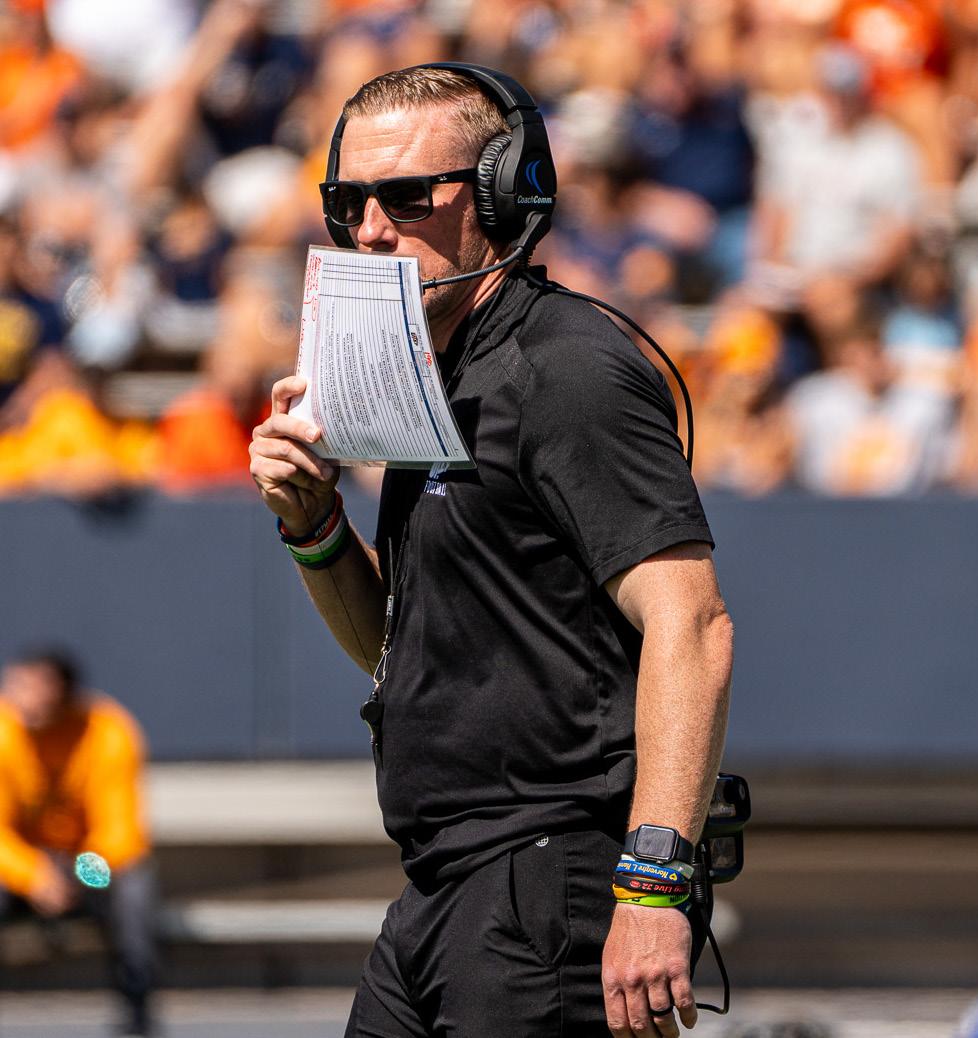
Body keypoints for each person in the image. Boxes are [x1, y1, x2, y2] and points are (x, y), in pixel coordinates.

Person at [249, 64, 733, 1038]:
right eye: (347, 203)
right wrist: (314, 524)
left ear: (503, 196)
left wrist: (651, 887)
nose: (369, 231)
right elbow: (394, 648)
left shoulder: (566, 366)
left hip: (551, 879)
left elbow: (692, 623)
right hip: (444, 883)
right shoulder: (434, 376)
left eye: (404, 197)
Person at [0, 648, 157, 1037]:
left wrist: (79, 873)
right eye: (15, 686)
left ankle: (136, 1002)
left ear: (63, 691)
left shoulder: (106, 731)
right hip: (23, 868)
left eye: (32, 687)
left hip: (86, 866)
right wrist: (34, 876)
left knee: (133, 885)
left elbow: (120, 833)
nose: (18, 697)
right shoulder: (4, 730)